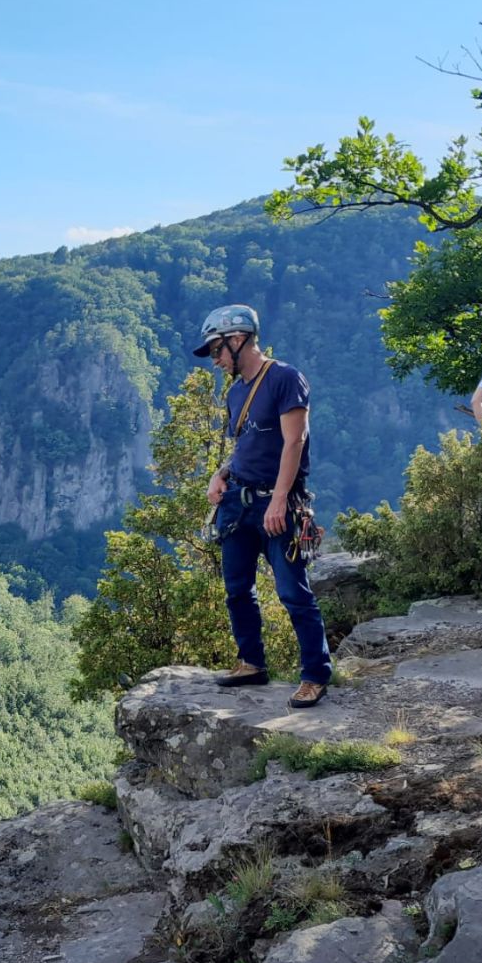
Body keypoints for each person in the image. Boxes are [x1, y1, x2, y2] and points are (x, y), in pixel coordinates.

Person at [194, 304, 332, 709]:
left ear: (237, 340)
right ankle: (251, 662)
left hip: (279, 504)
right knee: (237, 589)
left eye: (217, 350)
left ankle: (315, 675)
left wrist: (278, 500)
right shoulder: (237, 391)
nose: (215, 360)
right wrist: (220, 474)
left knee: (293, 592)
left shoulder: (285, 379)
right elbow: (245, 446)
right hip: (238, 501)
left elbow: (295, 441)